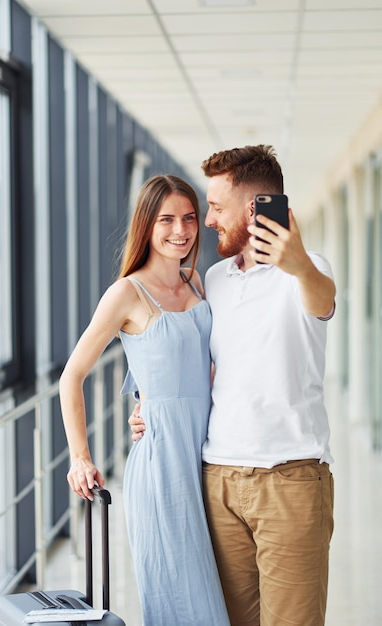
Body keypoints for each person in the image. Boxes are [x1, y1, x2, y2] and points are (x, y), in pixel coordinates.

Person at [130, 145, 336, 626]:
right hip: (218, 479)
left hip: (290, 479)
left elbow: (322, 300)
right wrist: (146, 404)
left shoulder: (311, 271)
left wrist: (298, 262)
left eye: (216, 208)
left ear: (252, 210)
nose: (207, 221)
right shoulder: (213, 280)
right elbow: (187, 357)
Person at [59, 174, 230, 626]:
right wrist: (80, 458)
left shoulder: (198, 283)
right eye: (167, 219)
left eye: (190, 218)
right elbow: (71, 376)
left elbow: (201, 363)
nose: (181, 230)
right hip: (162, 468)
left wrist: (145, 396)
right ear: (146, 226)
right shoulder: (126, 293)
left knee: (217, 600)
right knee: (182, 604)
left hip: (212, 459)